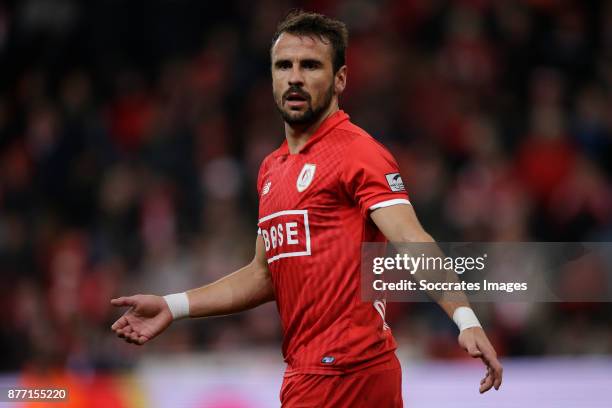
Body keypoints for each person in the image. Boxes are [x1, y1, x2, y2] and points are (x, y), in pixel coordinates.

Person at [111, 10, 503, 407]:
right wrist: (172, 305)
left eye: (310, 65)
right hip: (309, 374)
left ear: (340, 80)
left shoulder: (358, 152)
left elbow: (410, 237)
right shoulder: (271, 170)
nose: (294, 77)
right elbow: (265, 275)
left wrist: (464, 318)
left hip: (349, 372)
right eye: (284, 66)